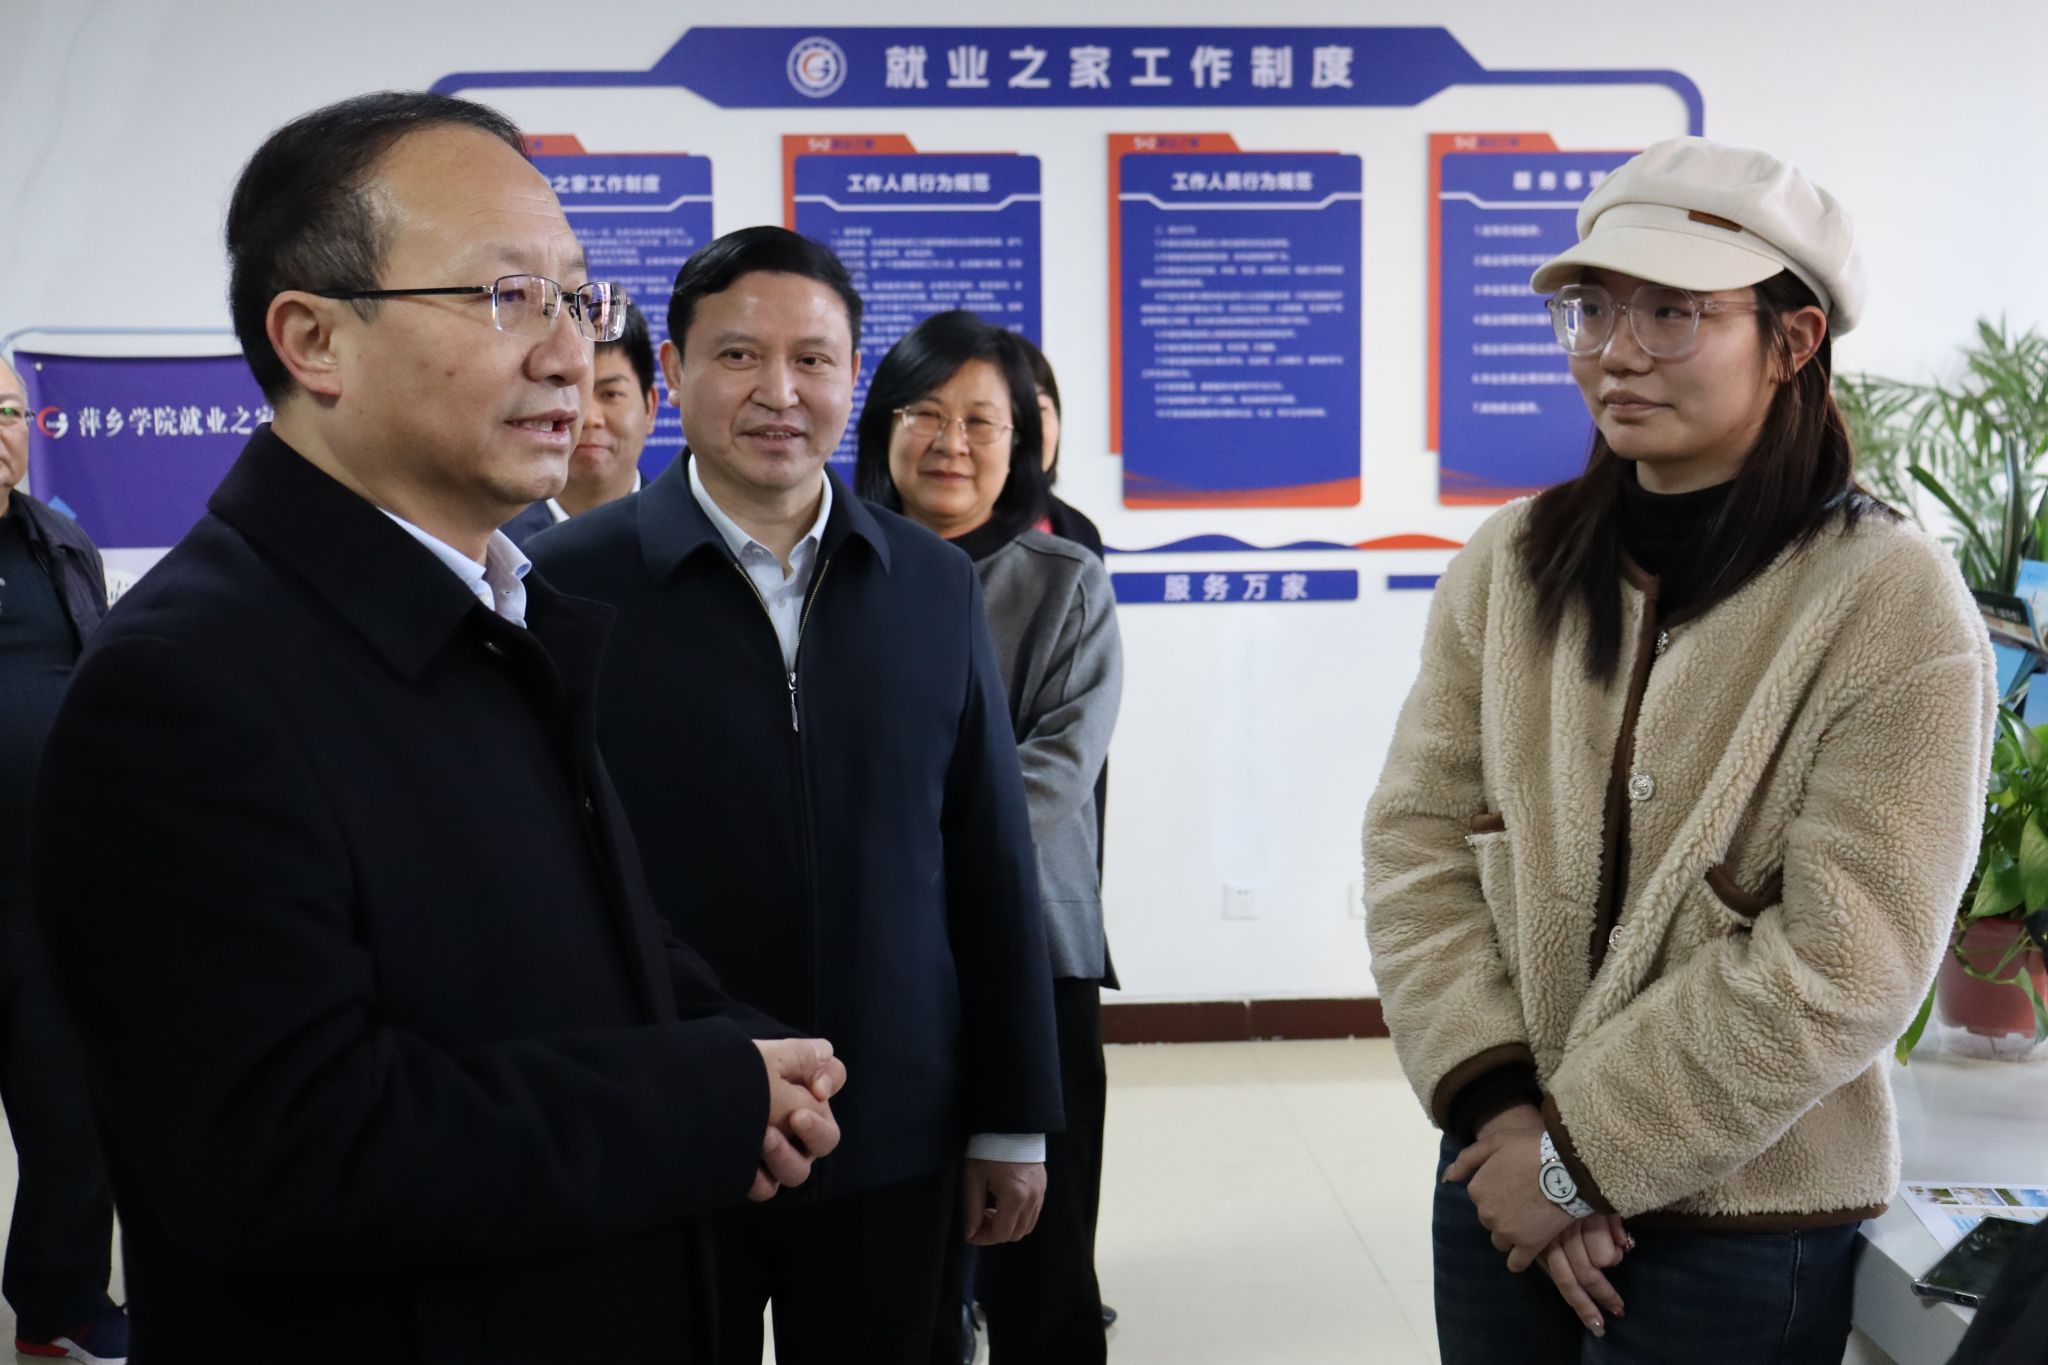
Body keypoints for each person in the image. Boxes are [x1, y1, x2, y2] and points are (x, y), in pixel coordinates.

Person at [30, 93, 845, 1365]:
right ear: (313, 340)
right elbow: (286, 1148)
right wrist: (695, 1101)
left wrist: (740, 1048)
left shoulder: (496, 607)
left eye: (575, 298)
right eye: (504, 295)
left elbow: (569, 938)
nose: (570, 354)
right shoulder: (187, 683)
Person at [1363, 136, 1997, 1364]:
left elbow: (1849, 955)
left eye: (1670, 313)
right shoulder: (1511, 565)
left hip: (1742, 1222)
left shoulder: (1888, 601)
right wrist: (1506, 1122)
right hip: (1493, 1177)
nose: (1614, 350)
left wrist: (1577, 1157)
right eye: (1593, 309)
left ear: (1791, 340)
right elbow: (1414, 845)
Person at [527, 228, 1063, 1365]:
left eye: (812, 359)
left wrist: (1013, 1118)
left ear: (852, 376)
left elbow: (988, 859)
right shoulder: (569, 587)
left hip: (895, 1128)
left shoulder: (930, 583)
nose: (779, 392)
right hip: (668, 1122)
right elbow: (541, 873)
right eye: (738, 356)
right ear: (672, 372)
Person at [855, 311, 1121, 1365]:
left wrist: (898, 842)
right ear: (883, 425)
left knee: (1042, 1265)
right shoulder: (837, 569)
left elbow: (1057, 769)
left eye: (981, 420)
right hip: (878, 958)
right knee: (900, 1256)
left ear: (1023, 442)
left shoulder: (1064, 581)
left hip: (1032, 952)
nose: (950, 442)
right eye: (925, 413)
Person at [0, 358, 127, 1365]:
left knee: (69, 1103)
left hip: (44, 882)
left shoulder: (58, 539)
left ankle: (59, 1303)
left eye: (7, 411)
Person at [504, 298, 656, 543]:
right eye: (571, 390)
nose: (590, 418)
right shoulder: (493, 544)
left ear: (651, 408)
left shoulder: (688, 532)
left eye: (611, 394)